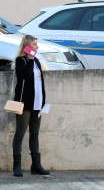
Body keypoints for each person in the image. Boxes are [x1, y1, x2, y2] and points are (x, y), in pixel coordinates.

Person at [12, 35, 50, 177]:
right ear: (27, 46)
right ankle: (16, 166)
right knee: (20, 133)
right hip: (25, 104)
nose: (37, 47)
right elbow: (26, 77)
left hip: (37, 104)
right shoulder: (21, 61)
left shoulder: (37, 62)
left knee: (35, 134)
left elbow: (41, 83)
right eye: (34, 44)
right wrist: (30, 58)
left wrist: (43, 101)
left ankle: (36, 165)